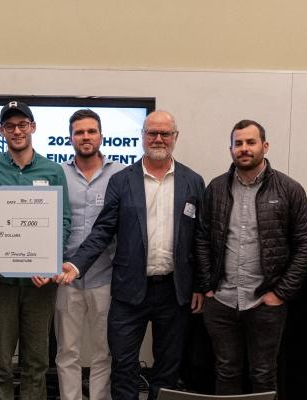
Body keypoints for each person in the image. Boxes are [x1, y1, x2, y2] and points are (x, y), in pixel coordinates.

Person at [61, 110, 205, 400]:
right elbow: (103, 230)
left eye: (165, 133)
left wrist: (201, 285)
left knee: (166, 369)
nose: (159, 139)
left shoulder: (193, 181)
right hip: (129, 291)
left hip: (174, 292)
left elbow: (200, 238)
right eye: (152, 133)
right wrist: (77, 265)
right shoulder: (122, 180)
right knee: (124, 366)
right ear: (142, 137)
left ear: (175, 137)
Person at [194, 119, 307, 395]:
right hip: (222, 301)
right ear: (231, 149)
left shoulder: (289, 189)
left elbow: (306, 244)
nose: (244, 148)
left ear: (265, 146)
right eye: (238, 143)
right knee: (226, 370)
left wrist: (280, 293)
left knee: (263, 373)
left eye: (251, 142)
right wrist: (208, 288)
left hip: (265, 302)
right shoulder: (216, 188)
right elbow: (201, 238)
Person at [0, 101, 71, 400]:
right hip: (0, 283)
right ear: (2, 131)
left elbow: (63, 221)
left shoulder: (53, 170)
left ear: (32, 127)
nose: (16, 131)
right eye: (9, 126)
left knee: (36, 362)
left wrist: (49, 262)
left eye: (22, 125)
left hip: (39, 284)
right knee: (1, 363)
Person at [55, 109, 124, 400]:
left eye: (91, 131)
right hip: (64, 277)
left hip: (105, 276)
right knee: (66, 351)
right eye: (80, 132)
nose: (86, 137)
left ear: (101, 136)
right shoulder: (58, 173)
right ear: (70, 138)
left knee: (102, 352)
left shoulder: (121, 174)